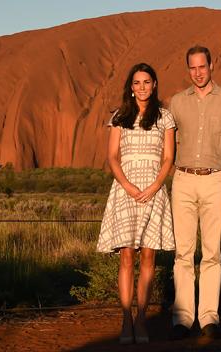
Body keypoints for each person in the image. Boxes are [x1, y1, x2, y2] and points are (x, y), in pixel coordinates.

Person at [168, 46, 221, 340]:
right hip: (184, 179)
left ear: (212, 65)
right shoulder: (177, 102)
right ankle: (183, 318)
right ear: (187, 69)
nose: (198, 73)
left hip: (215, 181)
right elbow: (168, 141)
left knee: (212, 253)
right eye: (192, 68)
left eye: (202, 67)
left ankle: (209, 318)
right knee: (183, 253)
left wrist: (220, 167)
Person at [96, 63, 176, 345]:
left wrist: (155, 186)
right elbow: (112, 157)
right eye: (136, 83)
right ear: (131, 87)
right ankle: (126, 320)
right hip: (125, 191)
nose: (141, 87)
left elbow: (168, 158)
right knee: (127, 256)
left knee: (148, 258)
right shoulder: (120, 117)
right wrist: (128, 186)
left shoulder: (165, 118)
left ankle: (141, 320)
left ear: (154, 84)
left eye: (146, 82)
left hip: (154, 191)